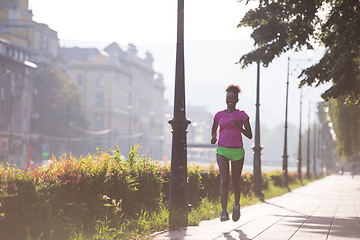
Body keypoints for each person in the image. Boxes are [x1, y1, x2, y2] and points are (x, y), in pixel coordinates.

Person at [211, 84, 253, 222]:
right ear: (226, 99)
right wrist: (213, 137)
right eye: (228, 98)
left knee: (235, 182)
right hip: (222, 149)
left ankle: (236, 205)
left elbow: (250, 135)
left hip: (237, 151)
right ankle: (223, 212)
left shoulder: (242, 115)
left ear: (237, 100)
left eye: (233, 98)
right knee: (224, 180)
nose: (230, 100)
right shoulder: (219, 115)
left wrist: (238, 127)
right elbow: (214, 128)